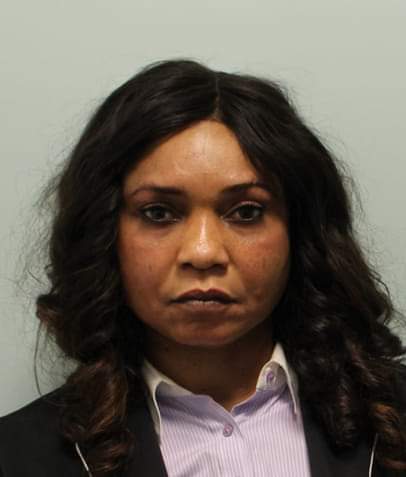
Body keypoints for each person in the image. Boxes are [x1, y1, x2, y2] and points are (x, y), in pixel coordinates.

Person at [0, 59, 405, 477]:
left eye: (246, 212)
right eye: (158, 212)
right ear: (104, 233)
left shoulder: (395, 418)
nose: (203, 251)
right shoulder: (16, 457)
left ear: (298, 232)